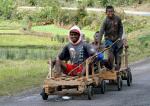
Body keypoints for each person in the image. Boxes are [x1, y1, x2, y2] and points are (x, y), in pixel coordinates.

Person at [99, 6, 123, 71]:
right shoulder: (105, 21)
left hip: (117, 39)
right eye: (108, 12)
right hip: (108, 40)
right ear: (106, 13)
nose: (110, 13)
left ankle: (117, 65)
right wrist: (99, 43)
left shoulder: (118, 19)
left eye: (111, 11)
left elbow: (121, 28)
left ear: (114, 11)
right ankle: (111, 66)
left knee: (118, 54)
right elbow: (101, 32)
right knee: (110, 50)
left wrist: (120, 37)